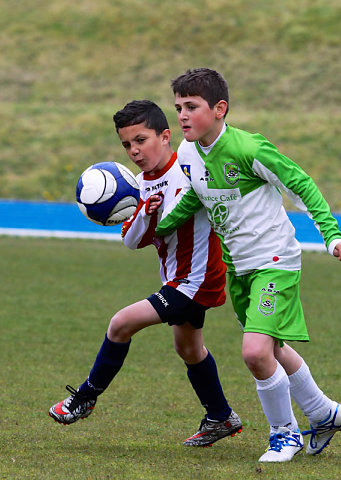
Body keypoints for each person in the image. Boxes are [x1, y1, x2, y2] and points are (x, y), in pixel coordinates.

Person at [156, 68, 341, 462]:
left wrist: (332, 236)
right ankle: (324, 413)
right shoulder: (187, 153)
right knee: (272, 348)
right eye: (178, 107)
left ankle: (284, 435)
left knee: (254, 351)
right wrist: (160, 225)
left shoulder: (249, 149)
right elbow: (198, 197)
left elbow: (300, 184)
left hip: (275, 261)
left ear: (219, 109)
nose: (181, 116)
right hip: (240, 267)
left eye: (191, 107)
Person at [49, 99, 242, 447]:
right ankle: (220, 416)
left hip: (195, 281)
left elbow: (179, 217)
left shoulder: (187, 172)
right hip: (177, 279)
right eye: (126, 144)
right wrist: (145, 213)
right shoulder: (137, 184)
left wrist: (156, 215)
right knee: (189, 349)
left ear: (165, 136)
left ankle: (84, 397)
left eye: (141, 140)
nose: (134, 151)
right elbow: (133, 241)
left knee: (121, 323)